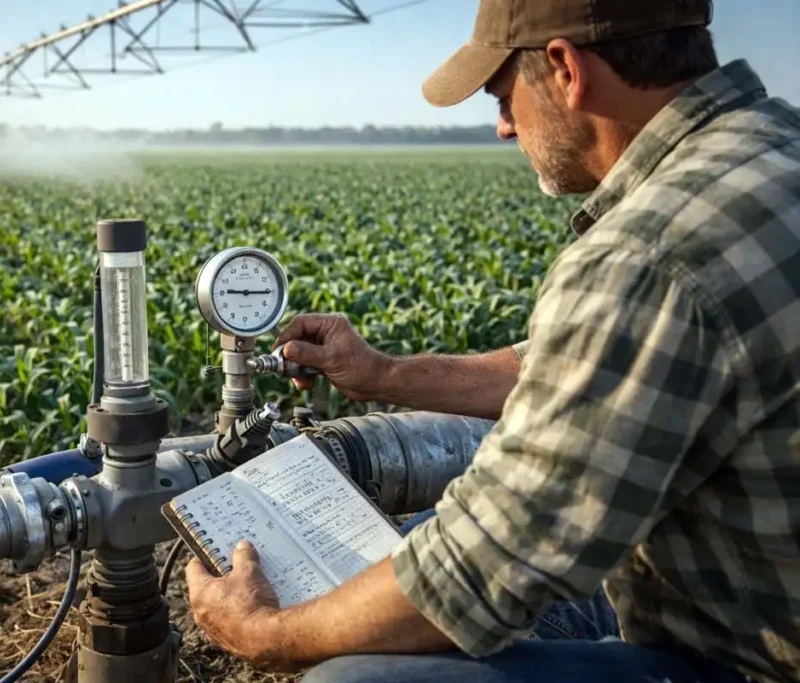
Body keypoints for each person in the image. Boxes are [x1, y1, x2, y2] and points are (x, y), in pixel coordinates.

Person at [184, 0, 800, 680]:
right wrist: (381, 373)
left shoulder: (649, 253)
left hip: (745, 660)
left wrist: (267, 632)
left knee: (356, 677)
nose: (505, 126)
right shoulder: (772, 151)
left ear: (565, 70)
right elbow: (579, 374)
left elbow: (475, 571)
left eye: (504, 96)